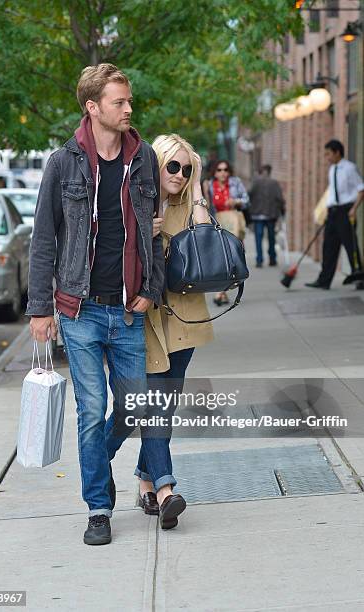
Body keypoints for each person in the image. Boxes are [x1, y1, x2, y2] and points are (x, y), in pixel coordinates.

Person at [26, 63, 164, 546]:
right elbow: (43, 238)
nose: (129, 109)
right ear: (93, 107)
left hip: (128, 310)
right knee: (91, 410)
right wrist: (40, 309)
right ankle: (99, 508)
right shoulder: (63, 163)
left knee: (131, 409)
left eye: (128, 101)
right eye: (119, 102)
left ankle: (93, 461)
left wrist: (153, 288)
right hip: (79, 310)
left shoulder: (142, 157)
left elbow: (151, 230)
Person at [135, 134, 214, 529]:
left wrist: (197, 184)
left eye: (186, 169)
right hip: (146, 318)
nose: (179, 175)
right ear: (157, 162)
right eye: (174, 166)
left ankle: (146, 482)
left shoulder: (187, 204)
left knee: (163, 404)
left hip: (182, 320)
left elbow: (205, 241)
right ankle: (166, 491)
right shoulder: (136, 200)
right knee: (154, 404)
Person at [306, 139, 364, 290]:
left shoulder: (350, 168)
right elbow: (332, 192)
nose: (327, 158)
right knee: (329, 247)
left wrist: (354, 209)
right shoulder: (332, 170)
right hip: (333, 213)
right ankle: (324, 280)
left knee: (351, 246)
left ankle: (360, 278)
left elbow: (361, 189)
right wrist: (326, 210)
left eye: (328, 154)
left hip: (346, 211)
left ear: (337, 152)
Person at [203, 160, 249, 305]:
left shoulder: (235, 182)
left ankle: (222, 292)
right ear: (214, 172)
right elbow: (207, 207)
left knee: (232, 259)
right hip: (218, 223)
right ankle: (220, 292)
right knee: (221, 259)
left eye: (225, 169)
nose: (222, 173)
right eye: (219, 170)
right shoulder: (209, 185)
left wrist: (235, 201)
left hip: (234, 222)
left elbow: (246, 200)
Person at [249, 164, 286, 268]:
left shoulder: (255, 182)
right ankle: (272, 258)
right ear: (270, 172)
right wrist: (282, 209)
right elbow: (279, 198)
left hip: (257, 214)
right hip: (271, 214)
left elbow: (249, 194)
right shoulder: (274, 183)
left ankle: (259, 259)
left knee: (258, 237)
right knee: (271, 237)